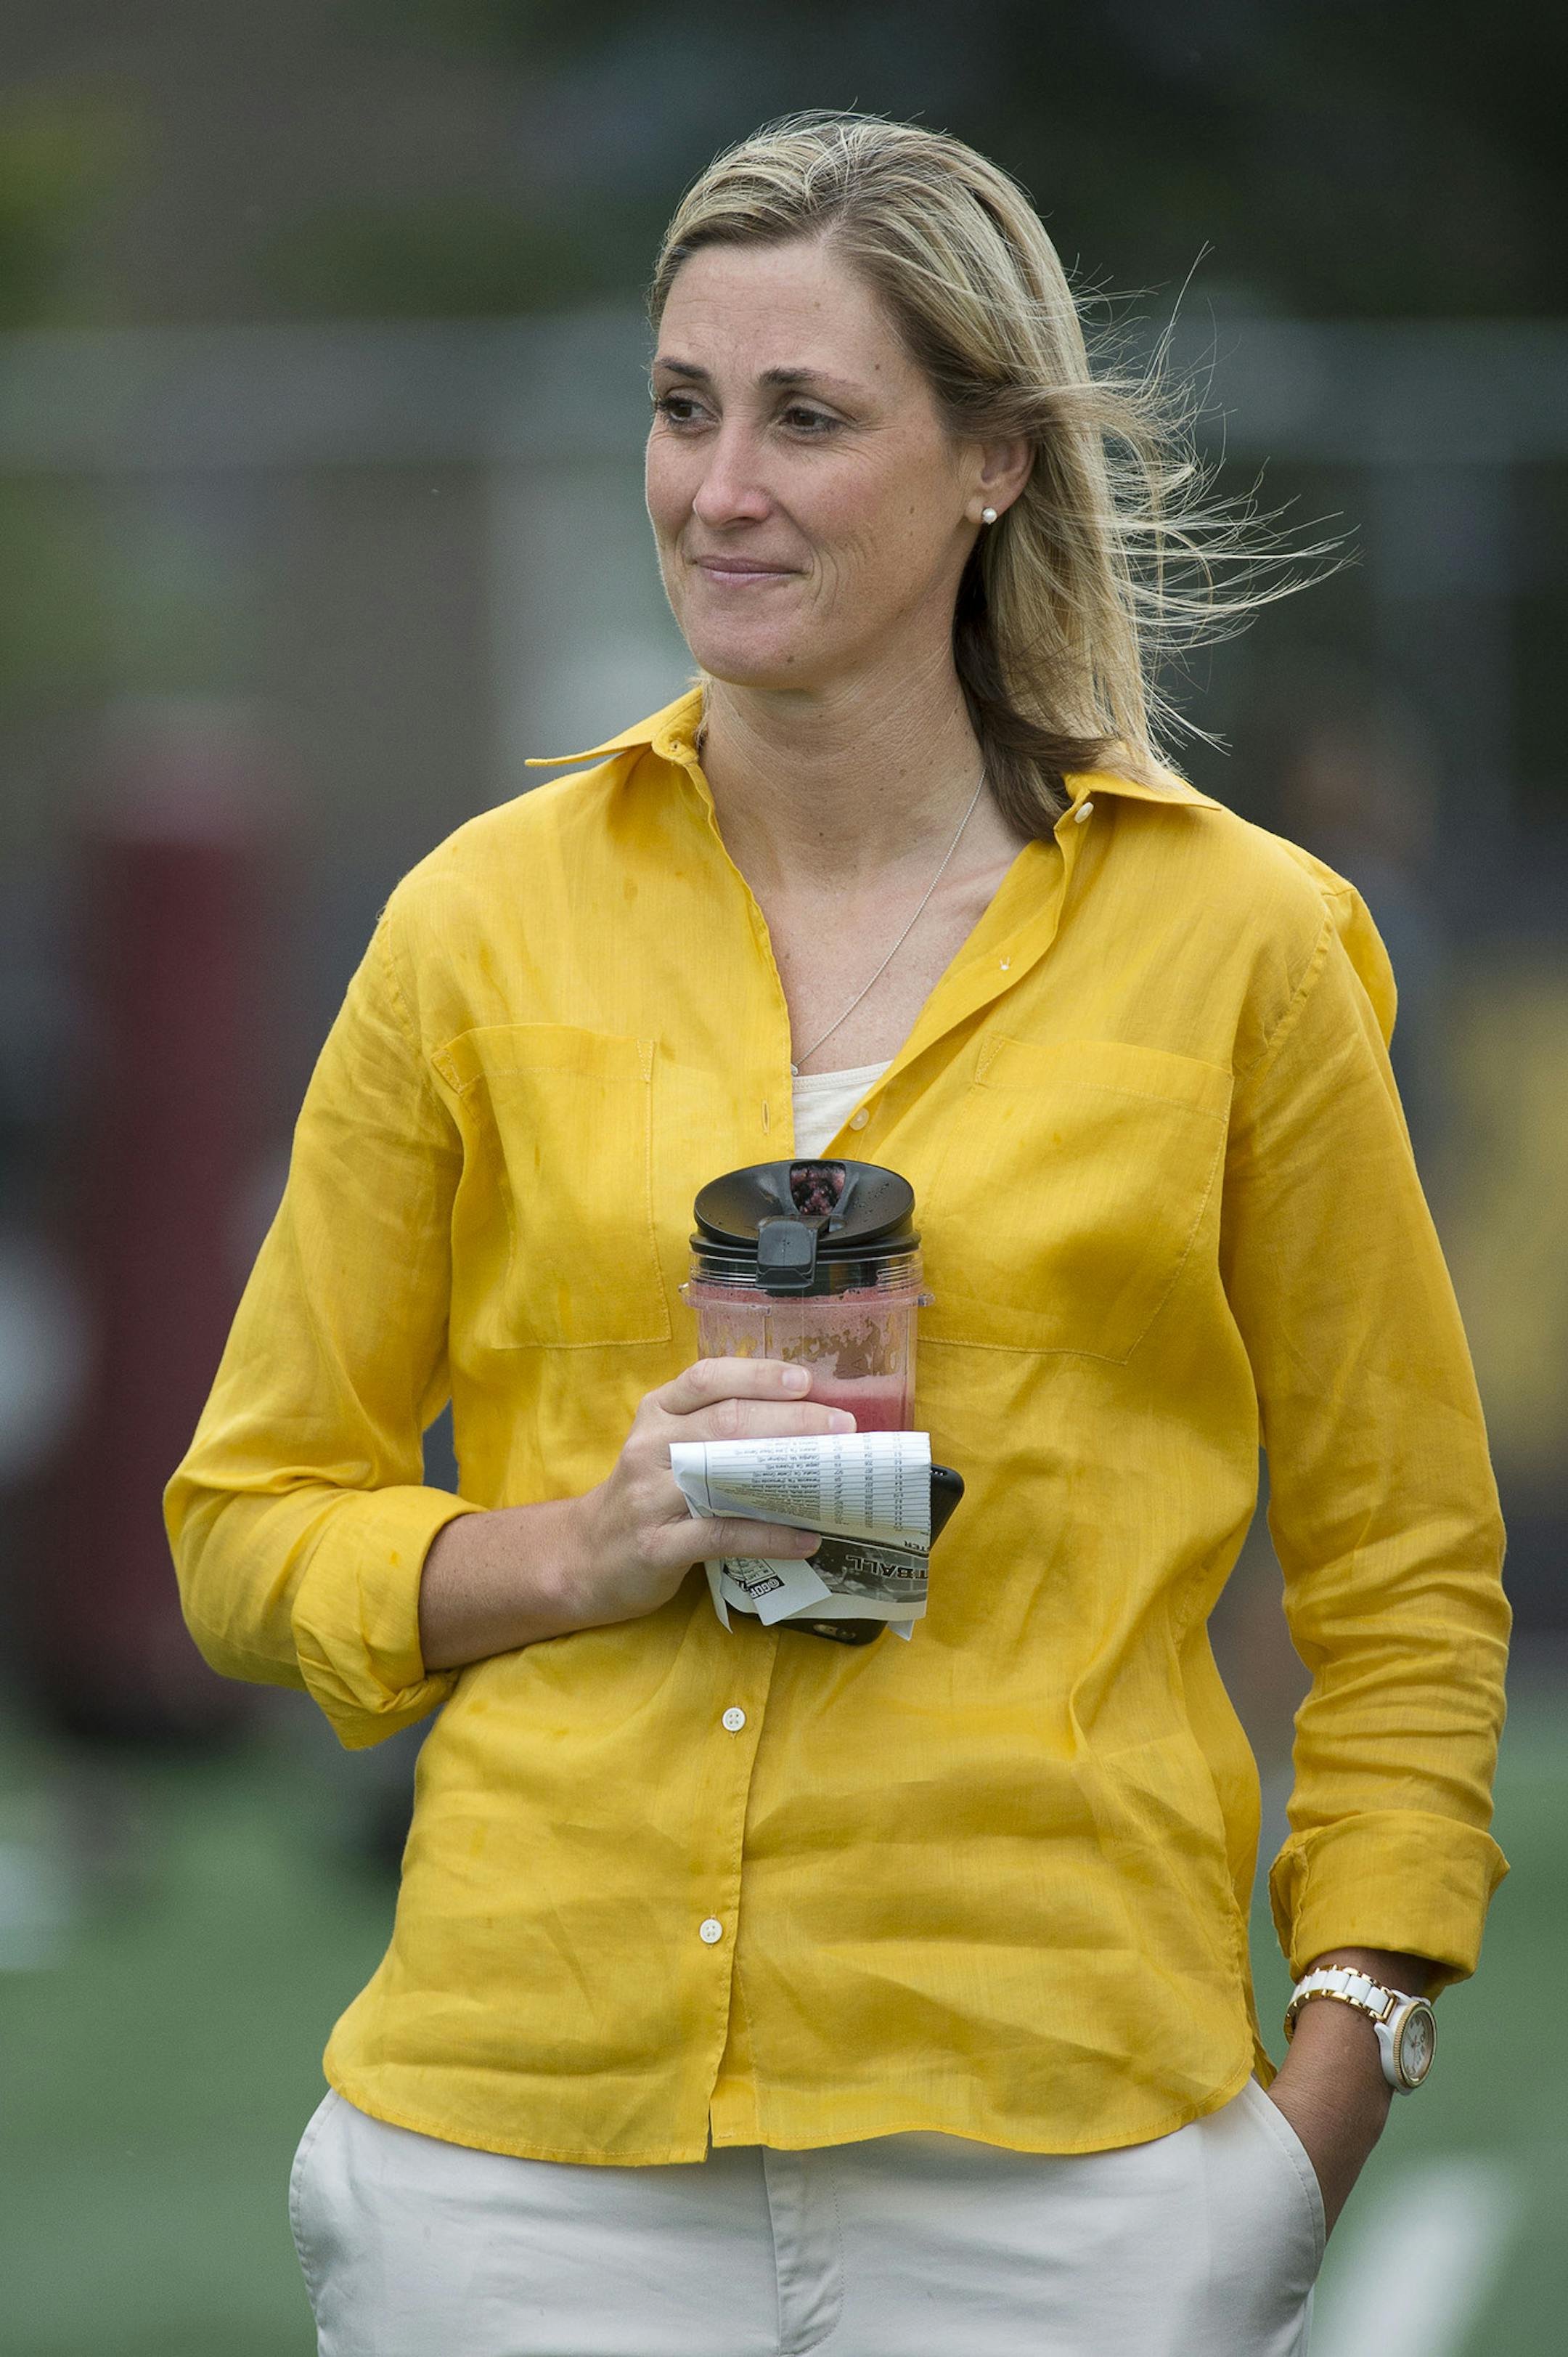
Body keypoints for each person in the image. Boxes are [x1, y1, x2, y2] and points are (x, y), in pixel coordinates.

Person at [166, 112, 1509, 2357]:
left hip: (1063, 2156)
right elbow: (244, 1522)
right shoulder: (472, 924)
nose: (720, 487)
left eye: (808, 417)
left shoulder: (1251, 947)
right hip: (522, 2150)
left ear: (992, 460)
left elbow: (1403, 1569)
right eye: (683, 410)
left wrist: (1349, 2044)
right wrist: (570, 1551)